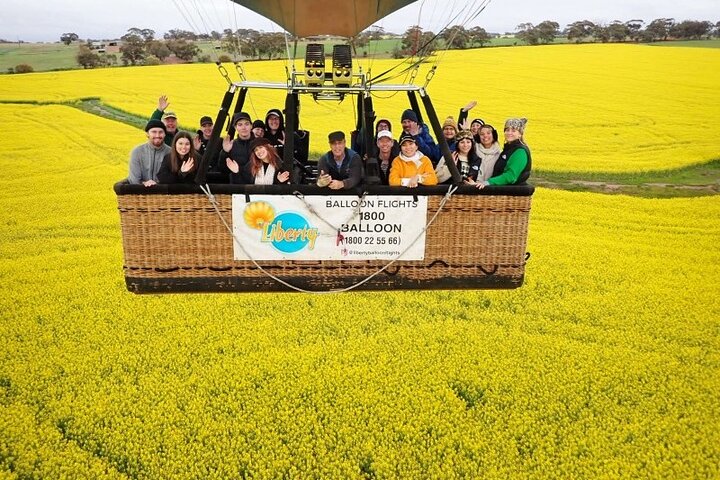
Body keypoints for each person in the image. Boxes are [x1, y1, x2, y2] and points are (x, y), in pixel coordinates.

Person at [468, 118, 532, 188]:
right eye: (507, 130)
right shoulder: (508, 149)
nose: (509, 133)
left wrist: (488, 182)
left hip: (511, 192)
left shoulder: (520, 151)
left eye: (513, 131)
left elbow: (510, 176)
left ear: (520, 134)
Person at [127, 119, 171, 187]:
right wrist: (144, 183)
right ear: (147, 134)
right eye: (154, 132)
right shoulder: (137, 152)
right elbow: (134, 179)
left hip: (163, 194)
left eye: (161, 132)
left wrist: (157, 185)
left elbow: (172, 178)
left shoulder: (171, 153)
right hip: (141, 194)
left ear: (165, 134)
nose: (157, 135)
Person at [219, 112, 254, 178]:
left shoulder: (259, 144)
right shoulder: (231, 145)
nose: (244, 128)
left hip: (256, 185)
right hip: (236, 185)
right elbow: (222, 169)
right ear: (235, 127)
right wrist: (225, 152)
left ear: (251, 126)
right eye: (240, 125)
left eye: (246, 124)